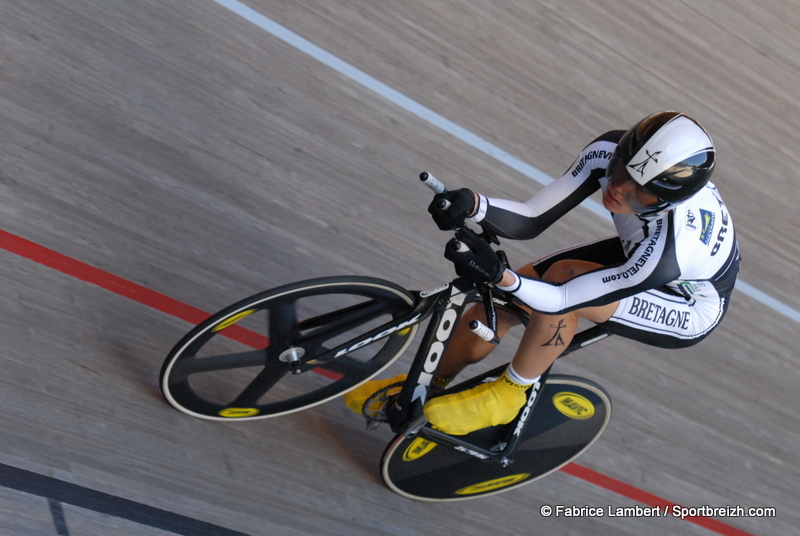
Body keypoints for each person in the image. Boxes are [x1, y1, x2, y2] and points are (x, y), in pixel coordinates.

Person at [345, 111, 741, 436]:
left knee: (558, 282)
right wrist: (471, 205)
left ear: (668, 200)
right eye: (617, 171)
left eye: (636, 190)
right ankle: (422, 389)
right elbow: (532, 218)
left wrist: (502, 274)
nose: (617, 189)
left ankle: (510, 394)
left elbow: (567, 297)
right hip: (637, 250)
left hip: (685, 301)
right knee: (496, 306)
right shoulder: (611, 150)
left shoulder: (675, 247)